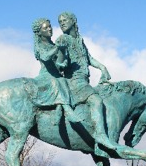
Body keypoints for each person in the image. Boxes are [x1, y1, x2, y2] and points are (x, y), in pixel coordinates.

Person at [55, 11, 118, 156]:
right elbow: (59, 63)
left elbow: (88, 58)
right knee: (96, 100)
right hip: (74, 82)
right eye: (60, 21)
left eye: (65, 20)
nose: (62, 23)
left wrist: (102, 67)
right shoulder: (63, 39)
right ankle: (100, 135)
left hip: (83, 81)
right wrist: (61, 57)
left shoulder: (79, 40)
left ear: (73, 21)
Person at [31, 17, 79, 123]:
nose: (49, 29)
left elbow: (60, 64)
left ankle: (59, 108)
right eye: (45, 28)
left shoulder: (53, 45)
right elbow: (45, 57)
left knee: (67, 82)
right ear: (39, 32)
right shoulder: (39, 46)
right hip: (46, 75)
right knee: (58, 81)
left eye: (50, 26)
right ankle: (67, 109)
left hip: (57, 75)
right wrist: (58, 47)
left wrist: (62, 51)